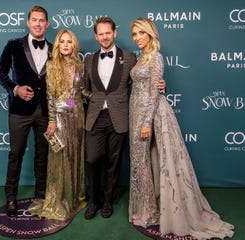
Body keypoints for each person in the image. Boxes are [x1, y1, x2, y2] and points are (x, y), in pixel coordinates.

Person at [128, 17, 234, 239]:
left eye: (141, 33)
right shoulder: (141, 58)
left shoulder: (156, 57)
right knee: (143, 163)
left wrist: (146, 122)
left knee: (147, 162)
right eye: (134, 34)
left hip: (150, 115)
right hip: (136, 113)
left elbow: (154, 93)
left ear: (150, 34)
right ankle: (147, 209)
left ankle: (148, 211)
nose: (137, 38)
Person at [83, 16, 166, 220]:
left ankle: (108, 201)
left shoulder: (129, 57)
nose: (104, 37)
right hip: (94, 116)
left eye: (108, 33)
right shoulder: (88, 59)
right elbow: (81, 88)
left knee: (114, 161)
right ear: (96, 36)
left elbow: (142, 80)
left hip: (119, 117)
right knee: (92, 159)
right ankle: (94, 201)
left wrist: (161, 85)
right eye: (100, 34)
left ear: (114, 33)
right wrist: (86, 99)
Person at [0, 5, 52, 217]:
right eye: (34, 20)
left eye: (42, 20)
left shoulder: (54, 49)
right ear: (28, 22)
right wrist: (15, 88)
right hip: (20, 111)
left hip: (45, 112)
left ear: (47, 24)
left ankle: (41, 195)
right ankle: (11, 197)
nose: (38, 24)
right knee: (15, 154)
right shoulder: (13, 44)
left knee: (42, 155)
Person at [28, 29, 89, 220]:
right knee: (60, 158)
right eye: (62, 41)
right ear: (58, 44)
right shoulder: (52, 65)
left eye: (69, 42)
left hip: (78, 116)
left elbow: (82, 91)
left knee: (75, 157)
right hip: (61, 118)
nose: (65, 45)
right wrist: (52, 120)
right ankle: (59, 200)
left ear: (74, 45)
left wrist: (101, 99)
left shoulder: (80, 65)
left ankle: (74, 199)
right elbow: (51, 96)